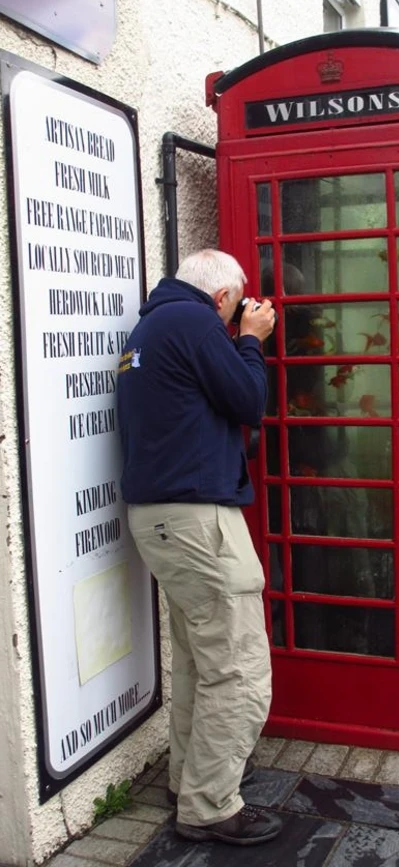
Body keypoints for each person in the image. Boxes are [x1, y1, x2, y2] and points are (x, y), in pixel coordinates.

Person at [117, 249, 280, 845]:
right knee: (238, 671)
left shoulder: (151, 325)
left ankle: (189, 779)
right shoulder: (194, 322)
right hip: (196, 520)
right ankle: (211, 806)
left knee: (197, 662)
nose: (239, 315)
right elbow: (246, 400)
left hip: (160, 517)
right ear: (221, 299)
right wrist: (251, 338)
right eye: (235, 307)